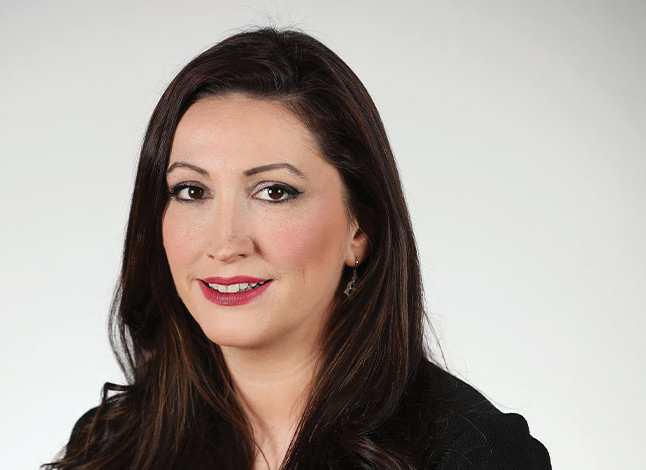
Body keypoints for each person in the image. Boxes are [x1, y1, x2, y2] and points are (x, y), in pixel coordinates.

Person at [43, 28, 551, 470]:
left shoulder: (473, 453)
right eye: (192, 191)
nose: (225, 244)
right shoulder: (109, 444)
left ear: (359, 229)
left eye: (274, 192)